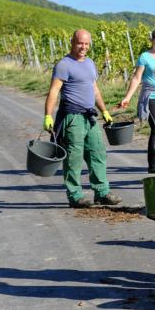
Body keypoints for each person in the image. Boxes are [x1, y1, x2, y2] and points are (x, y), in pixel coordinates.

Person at [43, 29, 122, 208]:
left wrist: (104, 111)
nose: (83, 47)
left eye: (86, 44)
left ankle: (101, 192)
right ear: (72, 42)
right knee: (74, 157)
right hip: (72, 117)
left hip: (90, 116)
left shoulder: (90, 63)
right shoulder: (64, 65)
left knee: (97, 152)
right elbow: (54, 91)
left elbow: (94, 90)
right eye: (80, 43)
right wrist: (48, 115)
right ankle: (75, 195)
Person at [118, 28, 155, 174]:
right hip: (150, 96)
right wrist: (127, 97)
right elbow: (136, 78)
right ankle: (153, 164)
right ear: (152, 40)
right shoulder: (144, 57)